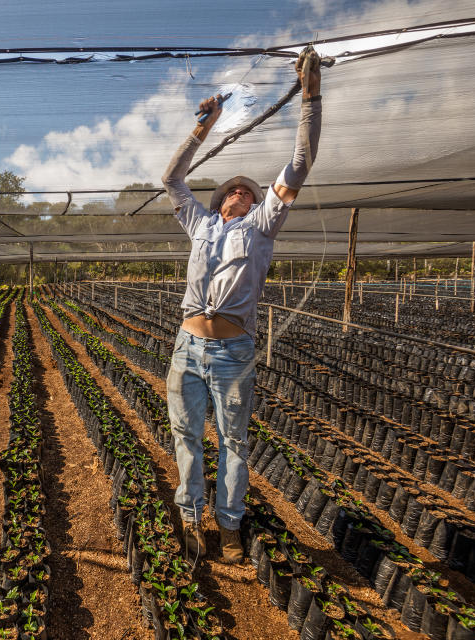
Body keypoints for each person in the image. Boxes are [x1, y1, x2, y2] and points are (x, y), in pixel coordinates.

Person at [161, 46, 323, 565]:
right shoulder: (200, 224)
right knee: (187, 438)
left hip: (233, 350)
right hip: (187, 346)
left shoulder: (261, 227)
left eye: (247, 193)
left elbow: (300, 164)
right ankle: (191, 519)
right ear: (219, 199)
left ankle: (229, 526)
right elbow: (170, 179)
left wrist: (311, 98)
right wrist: (203, 127)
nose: (240, 193)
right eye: (232, 190)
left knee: (234, 443)